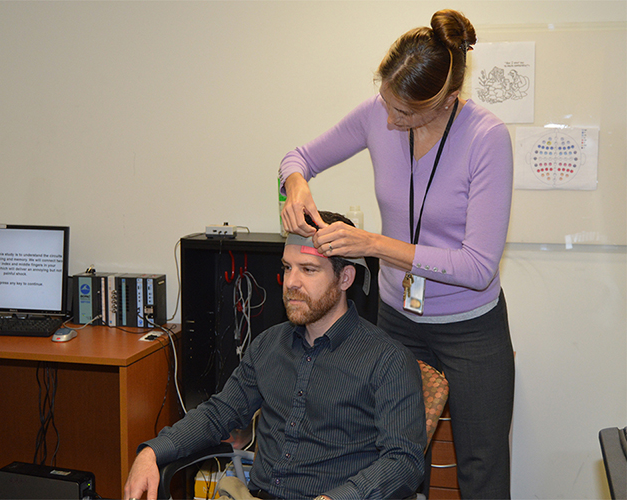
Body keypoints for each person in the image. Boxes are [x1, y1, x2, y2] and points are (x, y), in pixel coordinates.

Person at [278, 10, 515, 500]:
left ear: (447, 101)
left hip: (471, 325)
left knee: (481, 463)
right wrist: (294, 185)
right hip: (398, 318)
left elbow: (477, 267)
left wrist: (374, 245)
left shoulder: (487, 139)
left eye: (403, 114)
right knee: (395, 459)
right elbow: (297, 157)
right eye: (386, 103)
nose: (389, 121)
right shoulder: (376, 114)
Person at [123, 211, 427, 500]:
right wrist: (152, 451)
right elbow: (218, 413)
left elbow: (403, 462)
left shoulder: (387, 360)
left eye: (308, 270)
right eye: (287, 267)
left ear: (345, 278)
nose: (291, 282)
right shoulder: (269, 345)